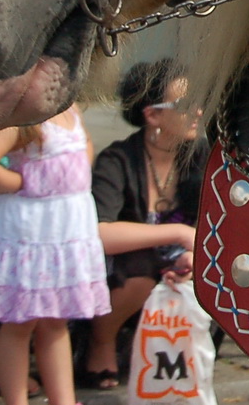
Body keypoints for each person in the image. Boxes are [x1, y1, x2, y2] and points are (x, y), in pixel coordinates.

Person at [0, 105, 110, 405]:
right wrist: (22, 181)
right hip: (31, 230)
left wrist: (76, 174)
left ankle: (63, 400)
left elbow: (84, 142)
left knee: (56, 319)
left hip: (65, 227)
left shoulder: (69, 109)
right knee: (20, 321)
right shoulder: (22, 119)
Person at [82, 60, 206, 387]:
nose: (197, 111)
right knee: (140, 269)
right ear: (152, 115)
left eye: (200, 101)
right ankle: (101, 341)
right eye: (185, 105)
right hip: (127, 269)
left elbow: (222, 221)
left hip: (184, 261)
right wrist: (180, 233)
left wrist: (195, 253)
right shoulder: (118, 160)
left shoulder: (201, 157)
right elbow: (100, 233)